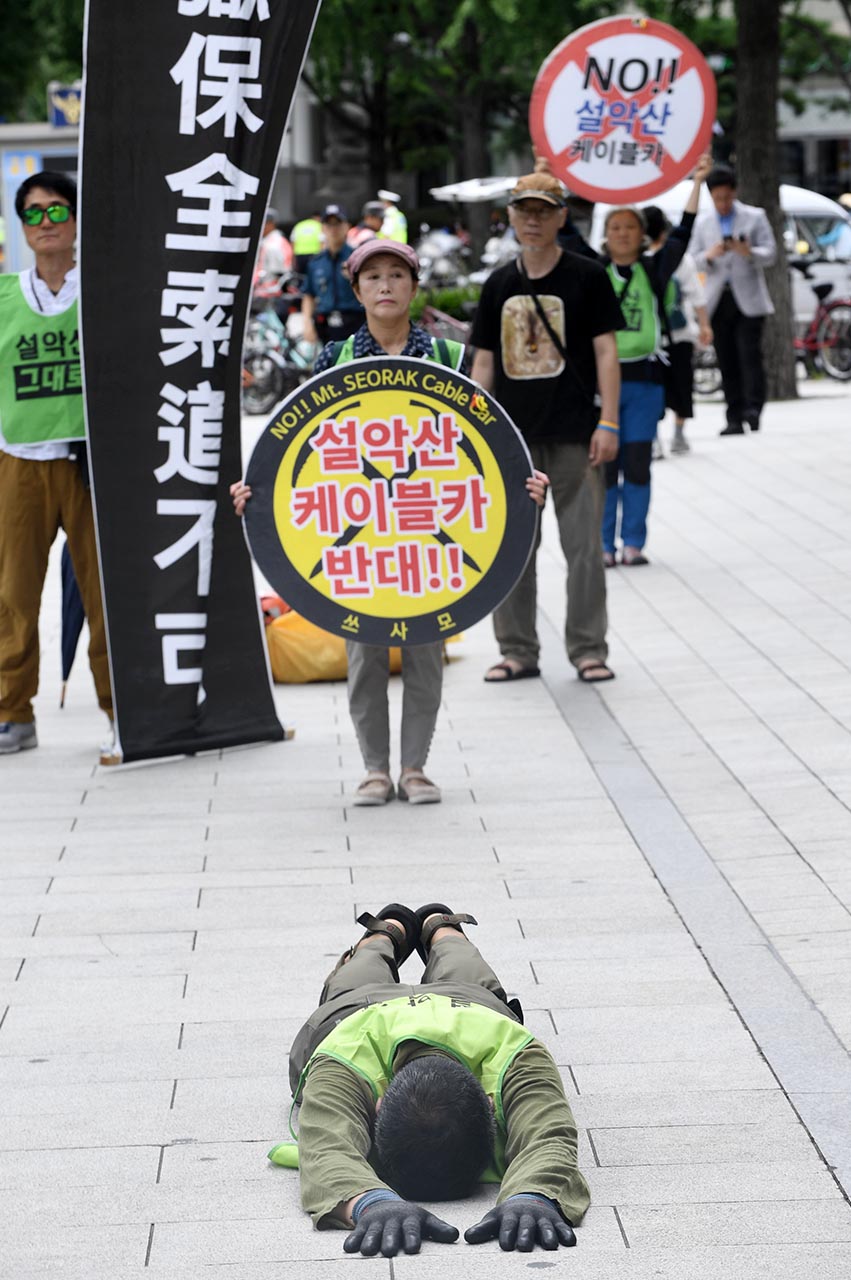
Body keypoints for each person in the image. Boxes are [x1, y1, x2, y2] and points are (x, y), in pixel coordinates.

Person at [232, 239, 547, 806]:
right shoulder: (334, 360)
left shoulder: (450, 360)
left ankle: (416, 767)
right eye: (372, 276)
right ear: (355, 291)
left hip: (426, 536)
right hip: (360, 540)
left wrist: (523, 486)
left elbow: (489, 439)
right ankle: (375, 769)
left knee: (426, 650)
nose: (384, 285)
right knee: (363, 654)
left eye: (396, 275)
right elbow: (301, 443)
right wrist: (256, 495)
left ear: (413, 286)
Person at [282, 903, 589, 1257]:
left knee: (368, 968)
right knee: (436, 967)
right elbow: (549, 1134)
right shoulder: (519, 1055)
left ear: (378, 1107)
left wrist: (370, 1201)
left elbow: (327, 1145)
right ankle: (431, 929)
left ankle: (399, 932)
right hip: (428, 1006)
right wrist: (535, 1194)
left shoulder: (342, 1063)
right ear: (491, 1105)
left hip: (391, 1005)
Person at [470, 169, 623, 685]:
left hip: (577, 432)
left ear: (562, 216)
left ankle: (587, 648)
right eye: (523, 211)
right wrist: (476, 433)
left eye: (543, 211)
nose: (532, 221)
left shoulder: (587, 275)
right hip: (512, 439)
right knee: (512, 551)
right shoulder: (499, 283)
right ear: (510, 216)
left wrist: (609, 421)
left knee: (584, 550)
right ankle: (516, 649)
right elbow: (485, 363)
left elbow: (607, 351)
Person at [0, 171, 114, 759]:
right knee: (13, 595)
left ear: (74, 219)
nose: (46, 223)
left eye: (56, 211)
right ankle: (12, 713)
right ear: (22, 227)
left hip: (92, 463)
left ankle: (123, 712)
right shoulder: (4, 296)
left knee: (105, 595)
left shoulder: (101, 290)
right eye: (34, 214)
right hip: (19, 462)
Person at [599, 155, 712, 566]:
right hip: (601, 387)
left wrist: (697, 181)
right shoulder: (594, 272)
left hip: (645, 381)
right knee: (605, 466)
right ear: (606, 236)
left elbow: (684, 232)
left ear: (643, 234)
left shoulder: (655, 267)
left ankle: (633, 543)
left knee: (637, 462)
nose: (623, 233)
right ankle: (603, 546)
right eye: (615, 228)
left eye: (630, 227)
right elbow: (567, 239)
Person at [689, 165, 777, 436]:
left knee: (749, 355)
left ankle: (753, 408)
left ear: (735, 192)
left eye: (727, 197)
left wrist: (747, 251)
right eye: (718, 198)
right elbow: (692, 260)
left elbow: (771, 253)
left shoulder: (755, 216)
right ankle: (733, 416)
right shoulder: (704, 223)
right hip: (718, 299)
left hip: (748, 298)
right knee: (726, 359)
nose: (723, 203)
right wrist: (710, 255)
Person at [643, 205, 713, 457]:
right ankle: (679, 436)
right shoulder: (679, 258)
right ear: (663, 230)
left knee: (653, 388)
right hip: (680, 334)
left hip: (649, 337)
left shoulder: (637, 259)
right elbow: (696, 294)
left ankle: (653, 439)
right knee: (681, 385)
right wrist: (704, 325)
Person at [301, 205, 364, 349]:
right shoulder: (316, 262)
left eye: (338, 224)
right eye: (329, 224)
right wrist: (307, 324)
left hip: (355, 322)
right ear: (323, 228)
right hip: (326, 323)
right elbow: (309, 294)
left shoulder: (357, 258)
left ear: (347, 226)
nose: (333, 229)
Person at [252, 207, 293, 310]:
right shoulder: (271, 240)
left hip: (271, 296)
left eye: (264, 223)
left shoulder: (273, 243)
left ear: (271, 224)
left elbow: (278, 273)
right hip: (267, 294)